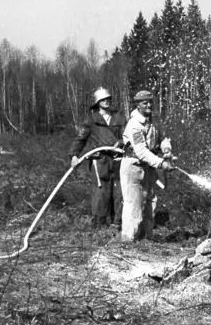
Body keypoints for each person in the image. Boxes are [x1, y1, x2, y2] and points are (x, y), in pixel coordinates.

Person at [119, 89, 172, 242]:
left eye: (150, 102)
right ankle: (128, 240)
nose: (149, 105)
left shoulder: (153, 121)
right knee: (133, 203)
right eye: (145, 103)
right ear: (138, 105)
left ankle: (147, 237)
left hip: (148, 168)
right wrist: (161, 163)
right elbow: (141, 152)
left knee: (151, 201)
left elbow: (163, 138)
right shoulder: (134, 125)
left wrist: (166, 149)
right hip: (133, 167)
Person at [69, 87, 124, 227]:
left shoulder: (119, 117)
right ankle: (99, 225)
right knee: (101, 192)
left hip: (117, 159)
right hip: (99, 161)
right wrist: (74, 155)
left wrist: (122, 142)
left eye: (108, 99)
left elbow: (127, 134)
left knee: (119, 191)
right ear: (97, 102)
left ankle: (118, 223)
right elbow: (80, 139)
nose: (106, 101)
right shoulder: (91, 120)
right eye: (103, 99)